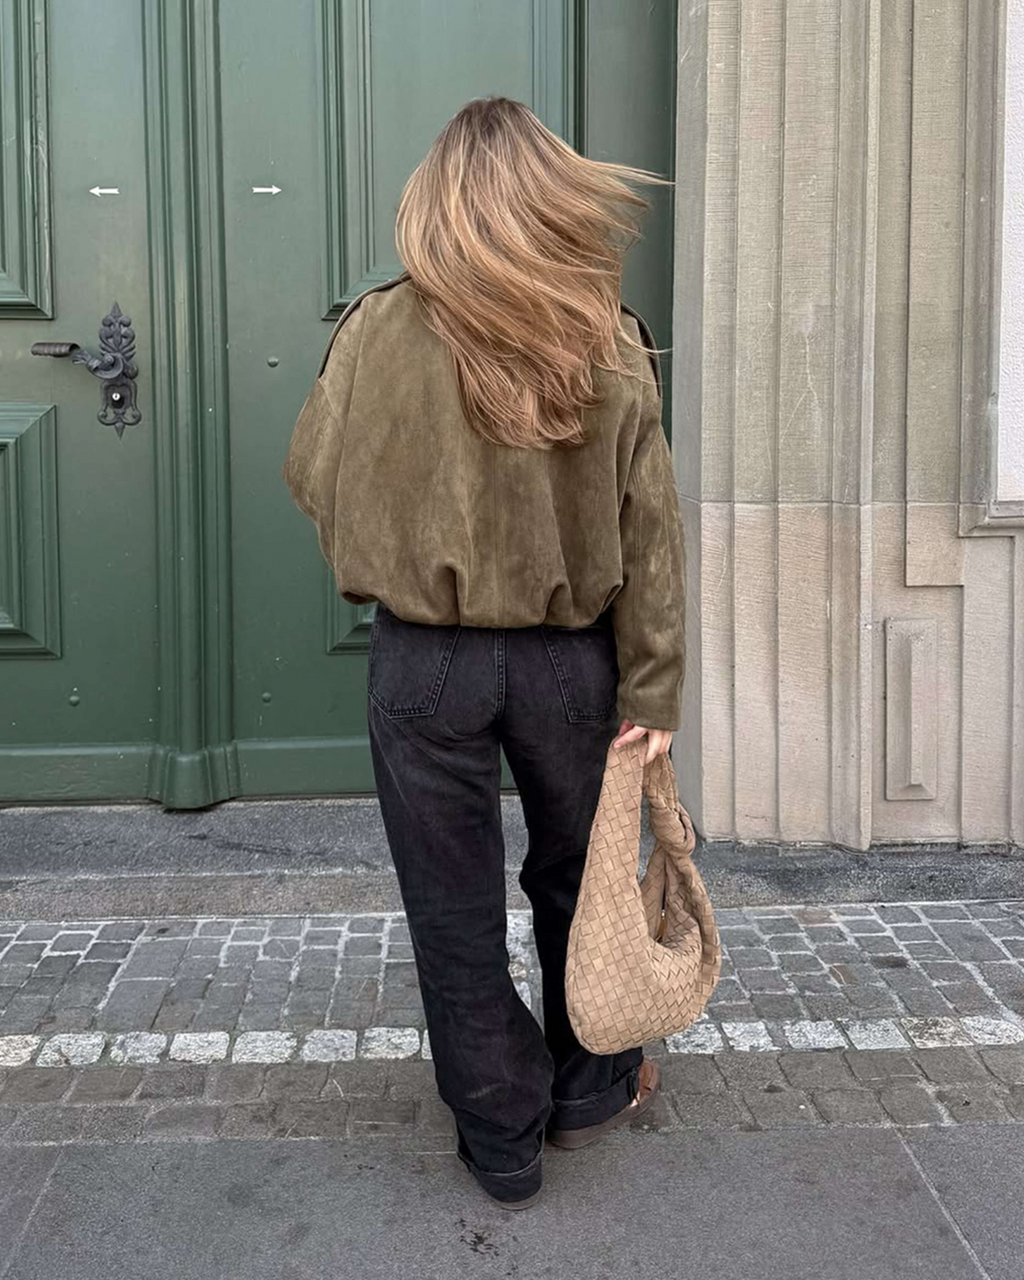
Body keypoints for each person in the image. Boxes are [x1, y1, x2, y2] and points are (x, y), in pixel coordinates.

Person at [282, 96, 686, 1210]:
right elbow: (651, 530)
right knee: (580, 877)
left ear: (435, 201)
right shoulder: (608, 332)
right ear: (552, 195)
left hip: (424, 664)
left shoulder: (375, 326)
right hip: (571, 661)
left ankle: (499, 1137)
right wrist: (653, 686)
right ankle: (590, 1089)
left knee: (450, 904)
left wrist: (400, 550)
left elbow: (314, 477)